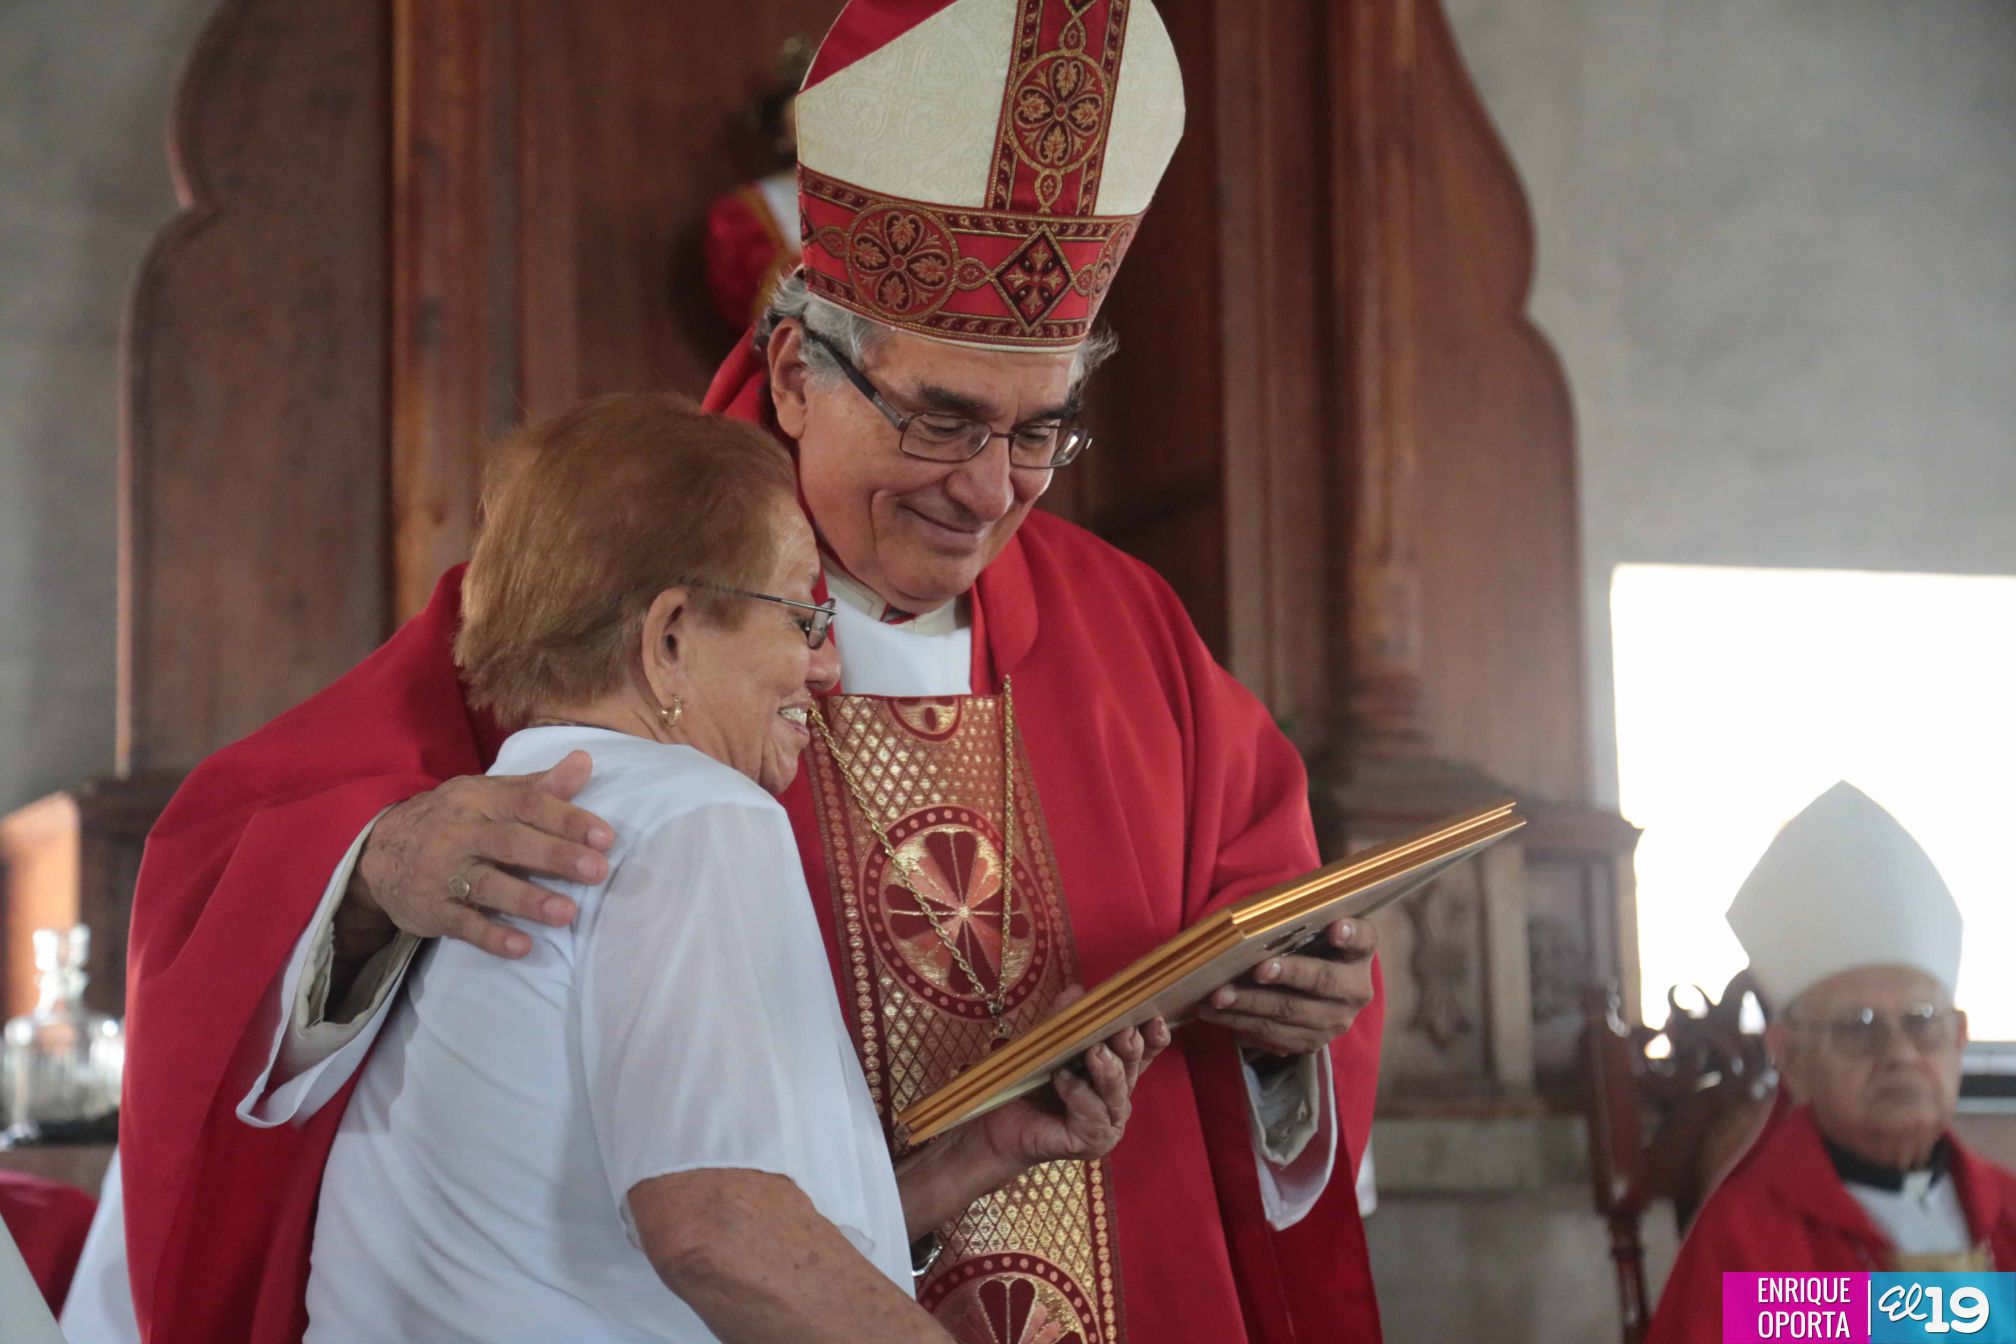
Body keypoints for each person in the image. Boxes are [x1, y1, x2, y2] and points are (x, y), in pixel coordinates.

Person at [121, 3, 1387, 1341]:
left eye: (1038, 434)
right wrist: (375, 878)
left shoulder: (1130, 631)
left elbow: (1267, 919)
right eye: (941, 418)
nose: (986, 491)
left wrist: (1289, 1029)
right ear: (797, 369)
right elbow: (230, 871)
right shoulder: (602, 583)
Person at [300, 393, 1162, 1343]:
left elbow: (595, 1234)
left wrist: (983, 1150)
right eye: (801, 618)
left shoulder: (539, 816)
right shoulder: (691, 810)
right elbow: (712, 1231)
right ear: (670, 638)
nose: (828, 668)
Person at [1646, 782, 2016, 1344]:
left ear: (1959, 1038)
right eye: (1857, 1026)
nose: (1898, 1053)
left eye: (1921, 1020)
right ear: (1790, 1057)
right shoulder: (1749, 1238)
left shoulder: (2008, 1211)